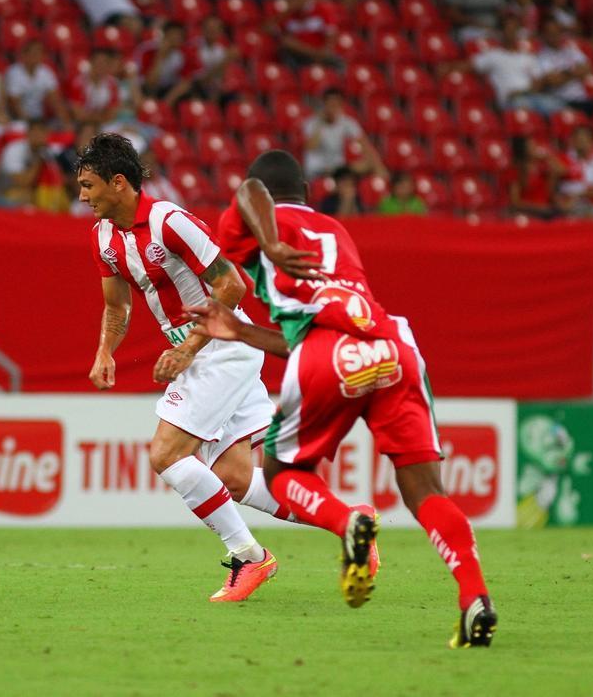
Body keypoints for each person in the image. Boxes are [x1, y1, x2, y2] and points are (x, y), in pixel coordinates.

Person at [190, 150, 494, 644]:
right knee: (425, 491)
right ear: (308, 191)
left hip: (329, 351)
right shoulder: (337, 231)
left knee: (283, 473)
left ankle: (347, 519)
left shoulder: (255, 215)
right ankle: (474, 597)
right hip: (392, 344)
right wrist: (242, 331)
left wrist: (269, 242)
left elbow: (249, 196)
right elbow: (307, 330)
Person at [76, 132, 291, 602]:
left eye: (89, 185)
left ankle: (251, 558)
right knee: (235, 478)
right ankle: (348, 519)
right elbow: (117, 307)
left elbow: (231, 287)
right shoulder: (103, 238)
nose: (82, 196)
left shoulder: (170, 222)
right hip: (201, 354)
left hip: (220, 346)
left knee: (165, 453)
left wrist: (187, 349)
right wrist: (105, 350)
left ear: (119, 183)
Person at [302, 88, 380, 178]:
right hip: (317, 171)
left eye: (335, 105)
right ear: (324, 105)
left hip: (338, 170)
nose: (332, 108)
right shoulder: (311, 123)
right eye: (330, 104)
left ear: (341, 106)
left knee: (365, 165)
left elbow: (365, 145)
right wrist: (320, 124)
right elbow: (311, 146)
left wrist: (379, 167)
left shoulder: (347, 122)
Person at [273, 0, 342, 68]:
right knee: (286, 44)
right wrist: (289, 11)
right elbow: (268, 28)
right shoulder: (287, 13)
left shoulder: (322, 9)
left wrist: (319, 56)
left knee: (336, 62)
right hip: (297, 55)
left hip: (320, 54)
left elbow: (331, 38)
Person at [135, 22, 199, 104]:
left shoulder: (184, 53)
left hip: (169, 90)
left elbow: (186, 82)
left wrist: (166, 102)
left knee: (190, 91)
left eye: (179, 36)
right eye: (172, 35)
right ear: (164, 35)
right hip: (147, 88)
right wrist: (160, 57)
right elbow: (149, 83)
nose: (175, 39)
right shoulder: (148, 50)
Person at [557, 125, 593, 213]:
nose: (582, 143)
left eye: (585, 139)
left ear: (592, 142)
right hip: (574, 208)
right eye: (579, 139)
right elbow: (556, 189)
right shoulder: (562, 159)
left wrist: (578, 195)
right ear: (572, 140)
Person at [508, 136, 559, 218]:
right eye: (531, 145)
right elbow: (515, 202)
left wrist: (547, 157)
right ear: (523, 149)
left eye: (535, 144)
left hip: (546, 210)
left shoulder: (542, 166)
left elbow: (560, 170)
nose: (535, 147)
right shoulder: (516, 171)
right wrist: (537, 208)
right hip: (528, 212)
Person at [68, 48, 121, 125]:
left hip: (105, 124)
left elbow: (111, 114)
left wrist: (91, 116)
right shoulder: (78, 83)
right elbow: (78, 115)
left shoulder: (113, 84)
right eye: (98, 62)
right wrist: (101, 116)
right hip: (81, 124)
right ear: (91, 63)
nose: (101, 66)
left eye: (105, 63)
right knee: (88, 130)